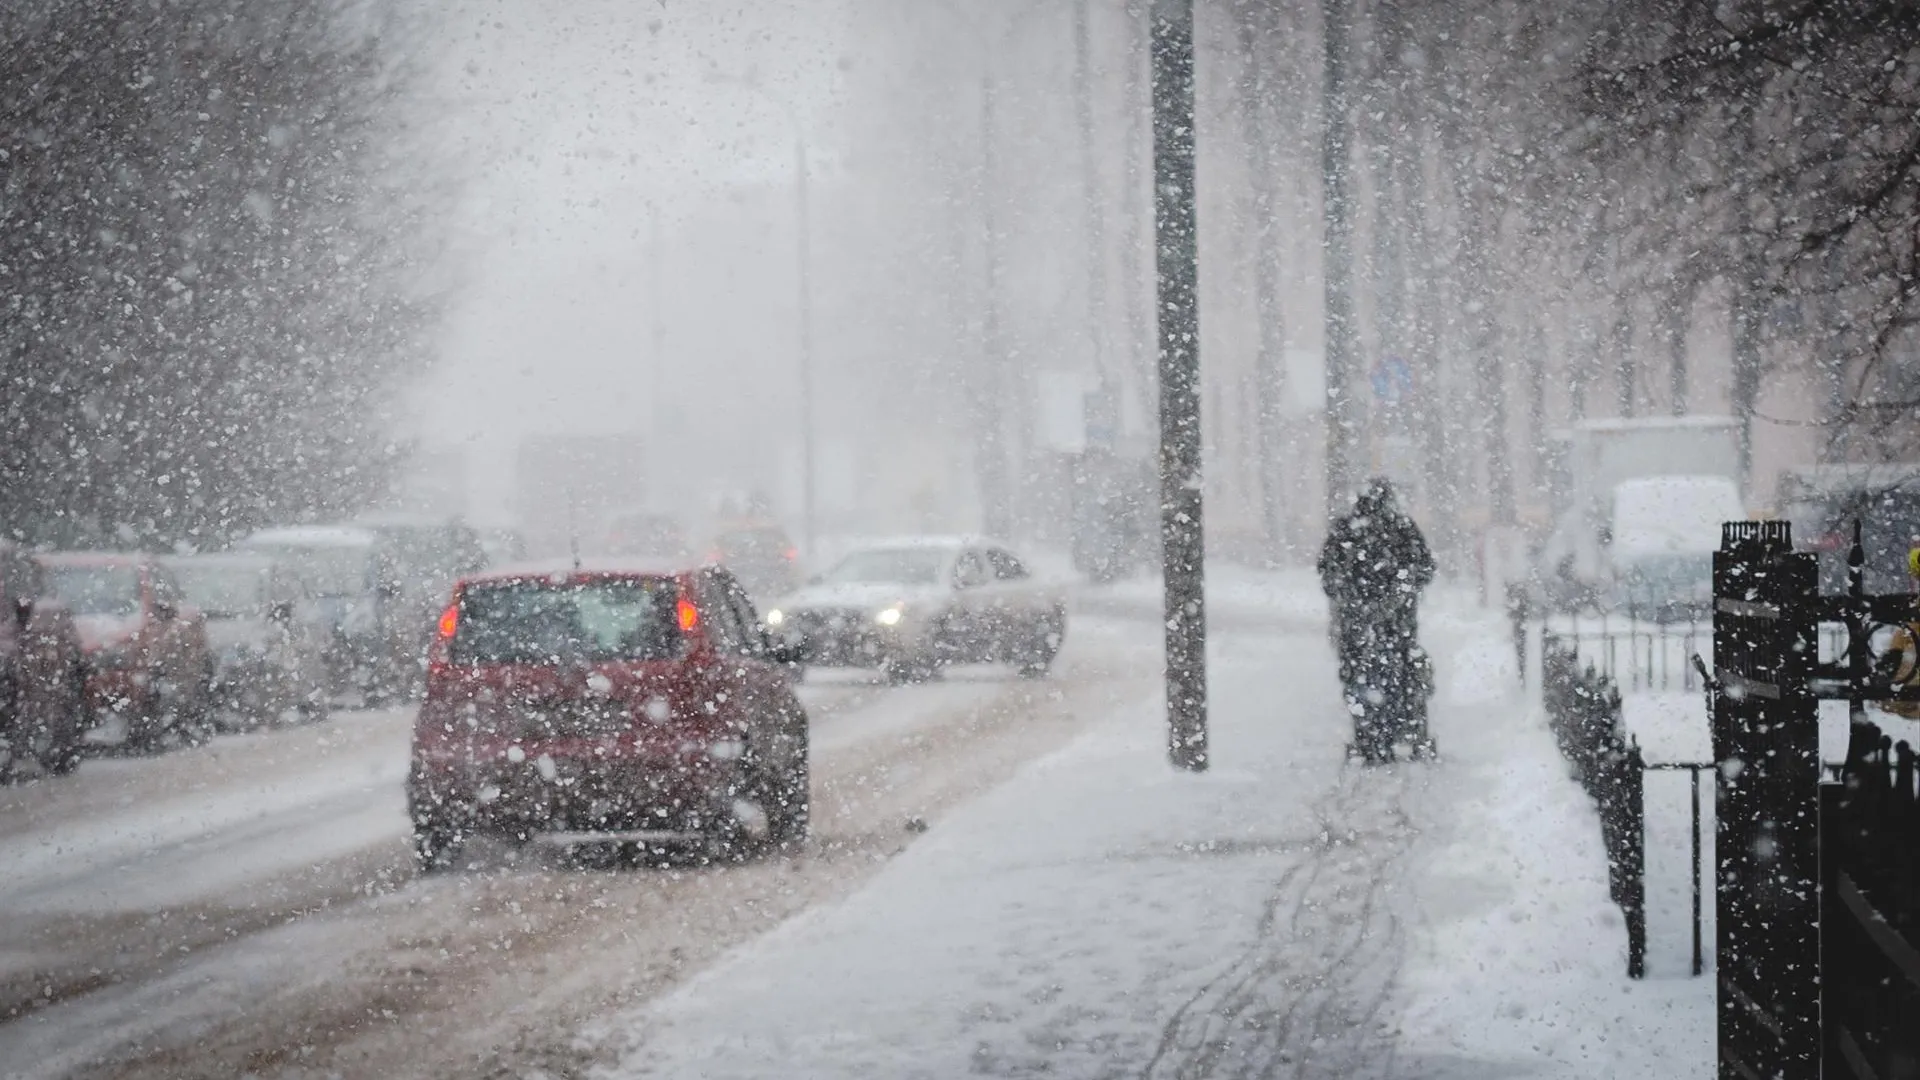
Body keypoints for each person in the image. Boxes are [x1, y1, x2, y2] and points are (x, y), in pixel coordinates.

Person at [1317, 478, 1436, 763]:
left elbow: (1328, 571)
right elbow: (1424, 567)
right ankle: (1396, 723)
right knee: (1399, 670)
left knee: (1358, 672)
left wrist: (1348, 597)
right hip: (1394, 621)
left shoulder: (1348, 531)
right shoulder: (1401, 529)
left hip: (1360, 621)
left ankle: (1368, 729)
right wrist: (1403, 589)